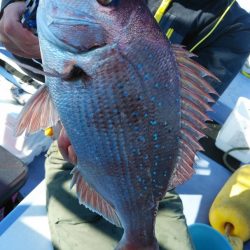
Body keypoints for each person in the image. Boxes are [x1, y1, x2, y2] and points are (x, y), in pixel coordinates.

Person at [0, 0, 250, 249]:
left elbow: (183, 114)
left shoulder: (236, 27)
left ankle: (140, 236)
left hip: (154, 178)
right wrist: (12, 6)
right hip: (76, 155)